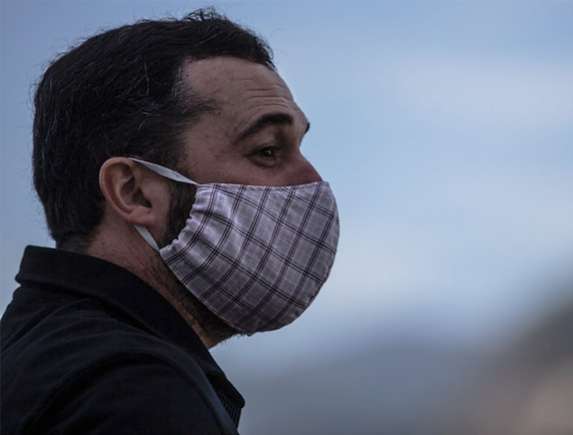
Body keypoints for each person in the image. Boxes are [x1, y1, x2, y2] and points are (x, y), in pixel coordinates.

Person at [1, 9, 339, 435]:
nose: (312, 182)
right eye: (268, 150)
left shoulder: (42, 352)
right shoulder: (134, 392)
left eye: (300, 148)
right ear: (134, 192)